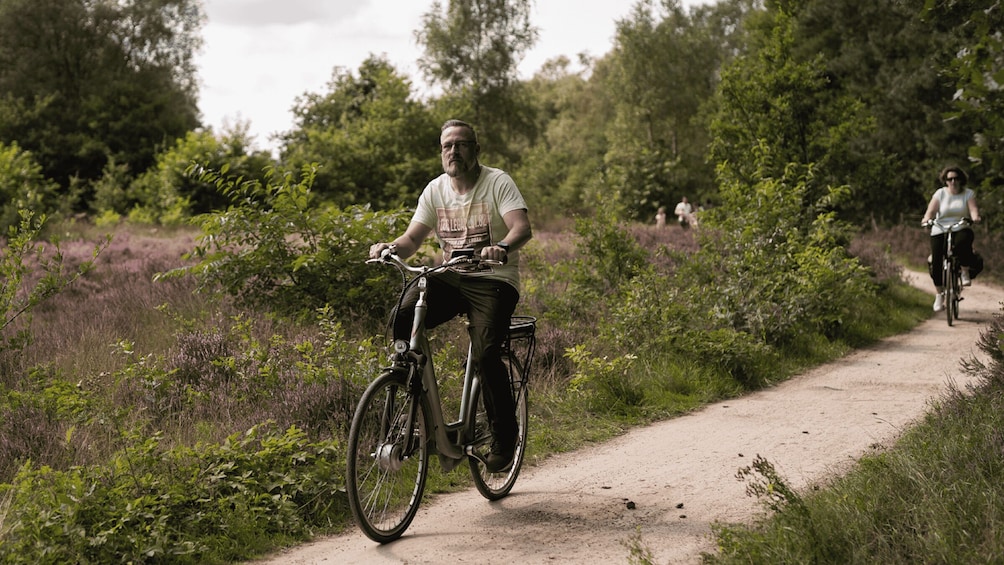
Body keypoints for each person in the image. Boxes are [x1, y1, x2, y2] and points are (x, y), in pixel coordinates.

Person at [369, 119, 532, 472]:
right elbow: (412, 240)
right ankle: (410, 398)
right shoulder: (435, 190)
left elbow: (521, 227)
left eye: (461, 144)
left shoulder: (497, 182)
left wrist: (501, 246)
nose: (454, 151)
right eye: (447, 146)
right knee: (403, 312)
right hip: (451, 277)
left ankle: (505, 437)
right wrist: (390, 247)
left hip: (494, 280)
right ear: (441, 152)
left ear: (476, 150)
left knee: (488, 352)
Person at [921, 165, 981, 312]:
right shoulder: (940, 194)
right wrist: (926, 220)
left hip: (960, 226)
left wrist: (975, 217)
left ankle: (964, 270)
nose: (953, 181)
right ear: (945, 181)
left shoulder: (968, 194)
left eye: (956, 178)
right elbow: (930, 211)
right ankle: (939, 295)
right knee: (936, 260)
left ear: (961, 180)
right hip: (940, 228)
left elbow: (973, 209)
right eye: (949, 179)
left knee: (963, 242)